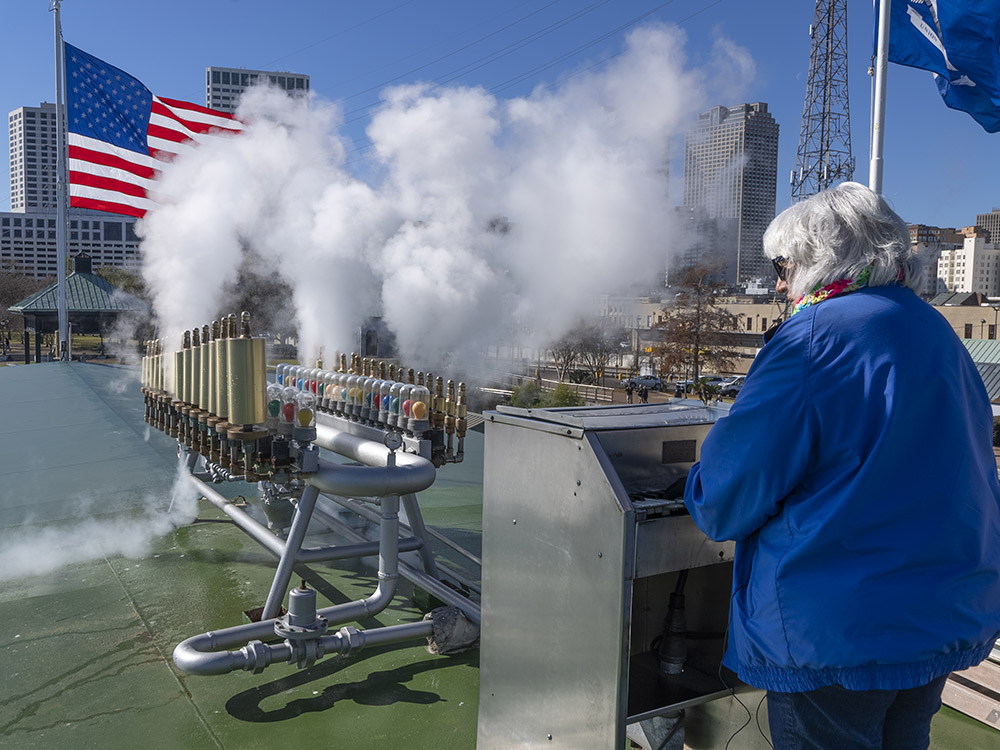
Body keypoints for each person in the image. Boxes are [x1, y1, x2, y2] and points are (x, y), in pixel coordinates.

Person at [683, 182, 1000, 750]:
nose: (778, 283)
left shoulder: (810, 338)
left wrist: (696, 480)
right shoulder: (934, 331)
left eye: (781, 265)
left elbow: (725, 500)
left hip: (835, 629)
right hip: (937, 614)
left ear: (816, 258)